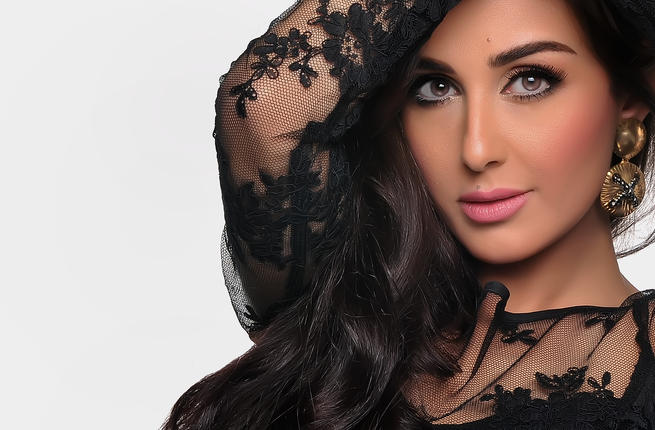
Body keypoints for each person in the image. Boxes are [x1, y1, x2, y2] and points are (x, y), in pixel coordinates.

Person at [162, 0, 655, 428]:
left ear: (630, 100)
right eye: (435, 88)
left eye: (530, 80)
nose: (476, 149)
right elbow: (265, 105)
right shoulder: (353, 316)